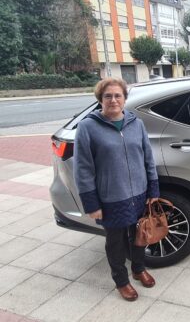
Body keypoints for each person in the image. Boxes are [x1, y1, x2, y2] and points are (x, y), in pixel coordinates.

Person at [73, 77, 160, 302]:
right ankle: (121, 281)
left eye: (117, 95)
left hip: (139, 194)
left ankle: (138, 269)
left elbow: (148, 159)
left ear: (124, 99)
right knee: (115, 242)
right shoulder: (87, 127)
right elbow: (83, 169)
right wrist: (91, 204)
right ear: (100, 99)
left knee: (140, 234)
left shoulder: (136, 123)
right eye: (108, 96)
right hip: (111, 198)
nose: (113, 100)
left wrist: (153, 190)